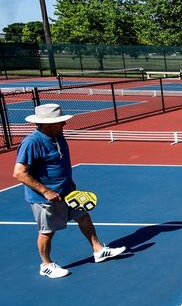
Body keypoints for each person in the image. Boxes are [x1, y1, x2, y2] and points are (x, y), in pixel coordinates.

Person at [13, 104, 126, 279]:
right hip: (45, 198)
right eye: (60, 121)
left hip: (67, 191)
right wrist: (46, 191)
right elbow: (19, 173)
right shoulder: (32, 142)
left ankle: (98, 250)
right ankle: (46, 265)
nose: (64, 124)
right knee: (47, 231)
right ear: (46, 124)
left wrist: (69, 184)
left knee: (83, 217)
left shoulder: (58, 136)